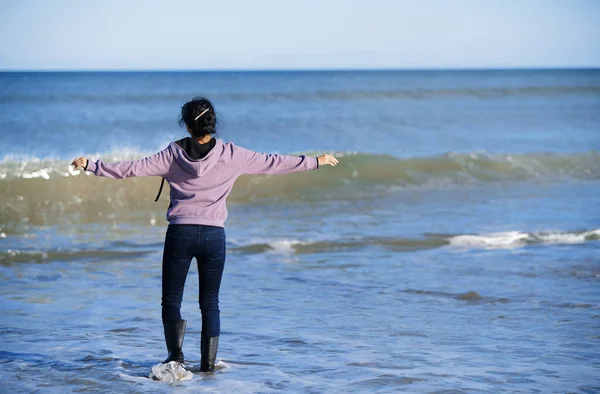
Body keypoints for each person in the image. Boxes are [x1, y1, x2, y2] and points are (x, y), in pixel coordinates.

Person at [71, 97, 338, 372]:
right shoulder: (233, 154)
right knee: (210, 302)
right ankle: (208, 367)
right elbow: (273, 162)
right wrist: (314, 161)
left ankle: (175, 360)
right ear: (213, 123)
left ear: (187, 126)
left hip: (180, 235)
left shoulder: (171, 154)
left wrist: (93, 165)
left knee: (172, 300)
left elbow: (131, 169)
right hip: (214, 237)